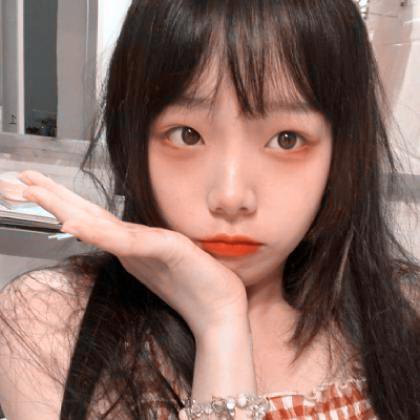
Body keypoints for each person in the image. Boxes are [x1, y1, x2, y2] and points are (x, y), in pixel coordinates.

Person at [1, 0, 420, 418]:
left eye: (287, 139)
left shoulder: (403, 315)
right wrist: (220, 321)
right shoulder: (48, 319)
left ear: (341, 154)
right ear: (132, 141)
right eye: (186, 135)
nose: (231, 196)